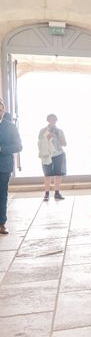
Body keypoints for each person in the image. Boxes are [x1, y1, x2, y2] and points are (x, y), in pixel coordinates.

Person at [0, 98, 22, 235]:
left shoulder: (10, 127)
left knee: (2, 196)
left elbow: (19, 146)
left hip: (3, 167)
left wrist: (2, 149)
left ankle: (1, 223)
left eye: (1, 110)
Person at [38, 113, 67, 201]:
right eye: (50, 119)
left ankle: (57, 193)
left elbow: (64, 144)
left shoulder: (60, 131)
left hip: (59, 154)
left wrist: (57, 136)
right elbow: (39, 143)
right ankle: (46, 194)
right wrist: (46, 138)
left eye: (54, 119)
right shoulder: (42, 130)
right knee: (47, 174)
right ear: (47, 120)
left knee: (58, 174)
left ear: (56, 120)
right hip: (47, 155)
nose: (52, 121)